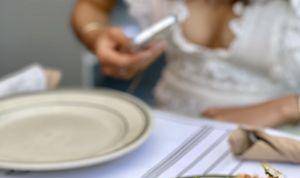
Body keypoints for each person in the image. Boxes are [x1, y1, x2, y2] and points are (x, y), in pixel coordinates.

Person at [72, 0, 300, 128]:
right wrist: (95, 34)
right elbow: (92, 7)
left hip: (274, 139)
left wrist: (286, 107)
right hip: (168, 129)